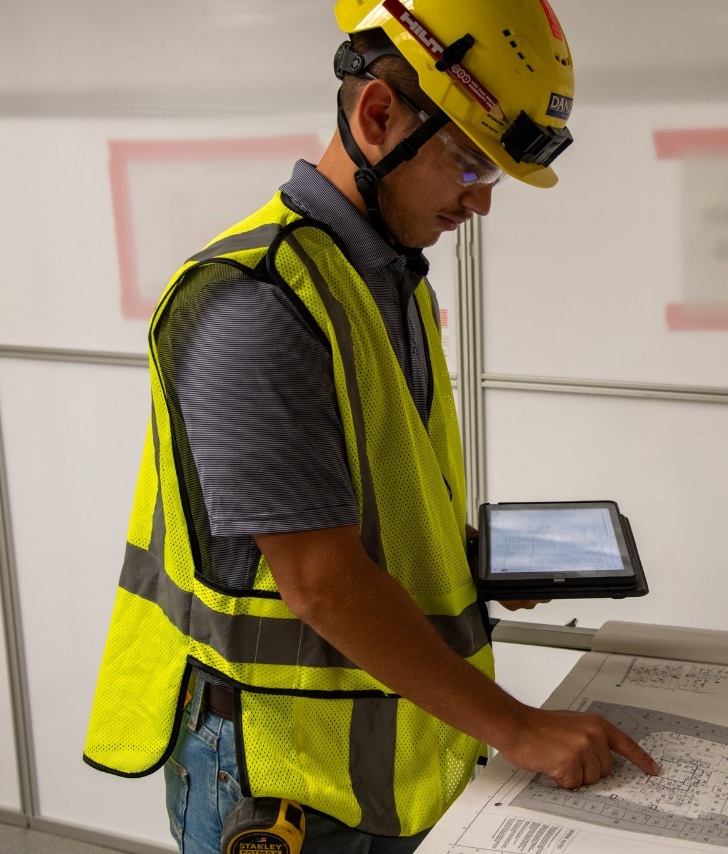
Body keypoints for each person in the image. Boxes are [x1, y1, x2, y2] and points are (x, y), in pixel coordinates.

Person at [82, 1, 659, 851]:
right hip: (284, 778)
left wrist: (463, 556)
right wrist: (522, 728)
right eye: (469, 163)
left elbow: (378, 490)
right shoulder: (256, 301)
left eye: (493, 174)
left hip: (377, 760)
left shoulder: (391, 281)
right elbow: (319, 581)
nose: (481, 202)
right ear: (377, 115)